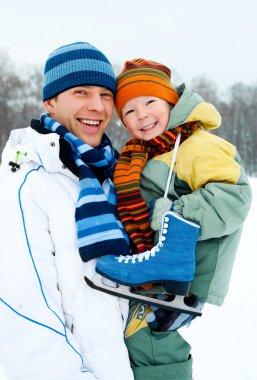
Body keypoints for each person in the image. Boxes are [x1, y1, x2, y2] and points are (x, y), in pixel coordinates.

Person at [95, 59, 252, 380]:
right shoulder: (147, 152)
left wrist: (171, 216)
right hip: (156, 271)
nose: (141, 114)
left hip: (183, 273)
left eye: (150, 102)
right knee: (138, 338)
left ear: (171, 102)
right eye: (129, 110)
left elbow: (234, 195)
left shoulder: (196, 145)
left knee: (150, 341)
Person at [0, 42, 134, 380]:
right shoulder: (28, 181)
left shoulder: (112, 175)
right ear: (50, 102)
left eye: (106, 95)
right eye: (81, 92)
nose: (97, 106)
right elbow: (25, 316)